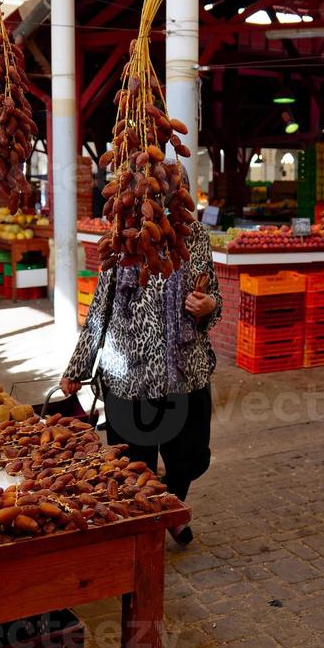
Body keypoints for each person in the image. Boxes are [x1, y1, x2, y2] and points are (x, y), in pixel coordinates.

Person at [60, 225, 221, 546]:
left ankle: (166, 505)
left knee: (189, 457)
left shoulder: (195, 236)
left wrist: (209, 306)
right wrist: (77, 367)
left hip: (186, 372)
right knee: (133, 464)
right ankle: (148, 530)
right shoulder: (122, 237)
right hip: (130, 376)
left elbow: (213, 294)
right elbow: (99, 309)